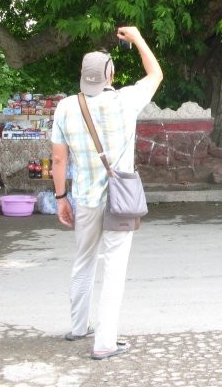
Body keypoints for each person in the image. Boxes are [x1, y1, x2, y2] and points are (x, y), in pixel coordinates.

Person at [51, 27, 163, 360]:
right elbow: (155, 73)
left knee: (84, 259)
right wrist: (139, 38)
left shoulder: (66, 107)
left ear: (83, 76)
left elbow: (59, 158)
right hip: (119, 202)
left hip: (84, 199)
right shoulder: (125, 100)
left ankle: (77, 326)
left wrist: (60, 198)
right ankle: (104, 342)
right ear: (110, 74)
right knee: (114, 267)